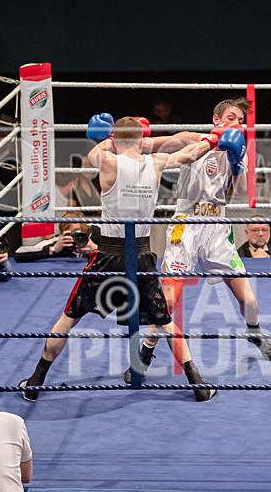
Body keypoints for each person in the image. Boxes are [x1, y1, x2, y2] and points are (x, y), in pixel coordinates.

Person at [20, 115, 239, 402]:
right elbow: (189, 153)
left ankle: (36, 381)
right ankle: (197, 383)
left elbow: (93, 154)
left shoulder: (108, 162)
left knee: (70, 318)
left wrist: (107, 136)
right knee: (164, 321)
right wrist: (214, 138)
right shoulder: (156, 163)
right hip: (142, 256)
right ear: (141, 139)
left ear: (115, 138)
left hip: (108, 256)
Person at [143, 97, 271, 363]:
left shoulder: (238, 149)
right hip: (186, 226)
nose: (237, 124)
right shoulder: (192, 139)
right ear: (216, 120)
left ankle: (254, 332)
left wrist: (238, 164)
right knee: (169, 301)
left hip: (217, 227)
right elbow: (153, 145)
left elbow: (240, 193)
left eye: (241, 121)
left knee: (249, 301)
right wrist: (121, 141)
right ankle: (146, 351)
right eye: (232, 118)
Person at [14, 210, 100, 262]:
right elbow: (19, 254)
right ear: (63, 233)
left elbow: (113, 252)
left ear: (86, 230)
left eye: (78, 232)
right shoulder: (61, 242)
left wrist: (97, 248)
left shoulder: (96, 233)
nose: (76, 237)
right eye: (72, 234)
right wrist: (53, 249)